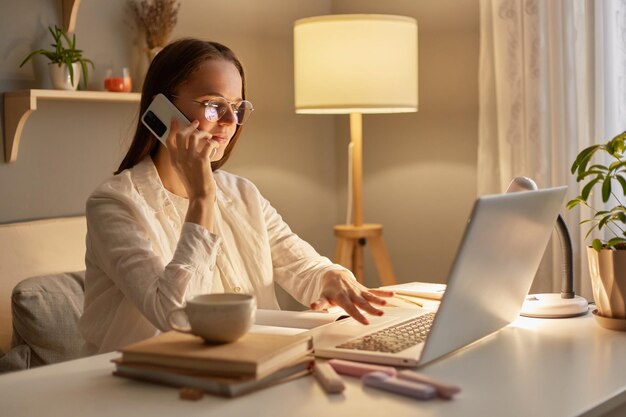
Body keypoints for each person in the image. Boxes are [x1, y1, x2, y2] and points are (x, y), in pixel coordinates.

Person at [79, 38, 392, 353]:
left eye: (238, 107)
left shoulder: (242, 193)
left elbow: (299, 263)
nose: (230, 121)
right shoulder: (114, 203)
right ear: (162, 109)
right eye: (214, 105)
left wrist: (331, 276)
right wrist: (202, 198)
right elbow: (177, 316)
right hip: (148, 383)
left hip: (248, 365)